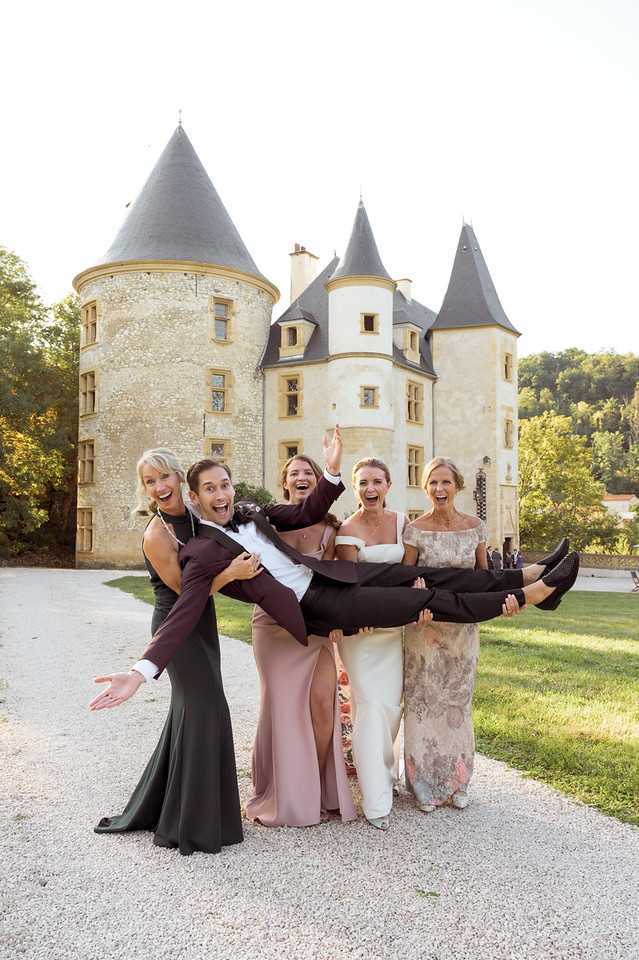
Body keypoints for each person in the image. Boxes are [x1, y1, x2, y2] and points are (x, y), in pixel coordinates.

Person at [89, 428, 579, 714]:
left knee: (432, 572)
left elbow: (305, 513)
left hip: (334, 575)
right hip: (319, 604)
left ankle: (530, 574)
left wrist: (331, 471)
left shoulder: (250, 513)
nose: (221, 496)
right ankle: (528, 598)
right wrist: (141, 670)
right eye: (210, 490)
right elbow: (185, 609)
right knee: (423, 597)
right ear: (193, 497)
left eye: (224, 485)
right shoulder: (200, 551)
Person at [93, 448, 254, 855]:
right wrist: (230, 574)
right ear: (144, 488)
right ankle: (192, 826)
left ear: (180, 478)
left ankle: (175, 808)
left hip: (205, 623)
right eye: (150, 481)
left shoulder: (198, 514)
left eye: (164, 476)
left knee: (191, 713)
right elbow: (188, 591)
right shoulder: (157, 534)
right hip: (176, 627)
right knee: (205, 710)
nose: (159, 486)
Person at [247, 454, 355, 827]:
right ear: (285, 483)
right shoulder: (266, 524)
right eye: (294, 473)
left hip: (315, 623)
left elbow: (330, 579)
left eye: (308, 472)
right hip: (272, 627)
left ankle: (318, 786)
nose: (302, 477)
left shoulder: (329, 529)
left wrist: (337, 620)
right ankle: (279, 788)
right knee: (279, 707)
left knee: (324, 704)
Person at [335, 457, 424, 831]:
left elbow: (407, 573)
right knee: (369, 705)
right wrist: (362, 613)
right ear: (355, 488)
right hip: (363, 632)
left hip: (393, 630)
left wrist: (416, 587)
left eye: (377, 482)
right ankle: (376, 800)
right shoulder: (346, 529)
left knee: (390, 707)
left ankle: (384, 773)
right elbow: (351, 585)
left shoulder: (404, 524)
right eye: (363, 483)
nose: (370, 489)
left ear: (388, 485)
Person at [402, 457, 490, 813]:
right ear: (425, 488)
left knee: (457, 704)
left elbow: (485, 577)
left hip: (462, 632)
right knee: (423, 704)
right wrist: (415, 591)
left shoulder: (476, 527)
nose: (439, 489)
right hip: (424, 629)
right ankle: (423, 784)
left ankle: (458, 781)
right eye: (432, 483)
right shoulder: (415, 529)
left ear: (457, 486)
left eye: (445, 483)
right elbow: (403, 578)